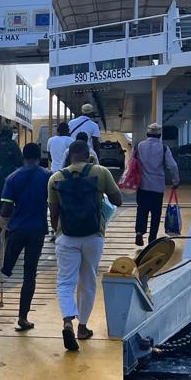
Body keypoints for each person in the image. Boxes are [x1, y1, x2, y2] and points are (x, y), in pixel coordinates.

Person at [49, 140, 122, 351]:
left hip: (66, 236)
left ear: (70, 155)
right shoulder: (100, 172)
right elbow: (117, 201)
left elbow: (53, 214)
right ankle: (82, 327)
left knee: (65, 282)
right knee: (88, 281)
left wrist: (58, 233)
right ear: (87, 154)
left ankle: (67, 322)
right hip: (93, 235)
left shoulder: (56, 178)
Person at [0, 143, 51, 332]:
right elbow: (54, 203)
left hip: (17, 230)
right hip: (37, 230)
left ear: (23, 156)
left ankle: (6, 269)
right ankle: (23, 317)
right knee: (30, 274)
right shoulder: (48, 176)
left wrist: (1, 223)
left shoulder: (12, 178)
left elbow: (6, 209)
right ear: (39, 157)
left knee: (7, 267)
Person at [133, 123, 180, 246]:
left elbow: (132, 163)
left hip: (142, 185)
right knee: (155, 213)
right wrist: (175, 181)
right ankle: (152, 238)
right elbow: (172, 166)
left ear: (147, 134)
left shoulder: (139, 146)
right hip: (157, 187)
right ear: (159, 135)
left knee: (142, 210)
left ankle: (139, 231)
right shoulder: (163, 148)